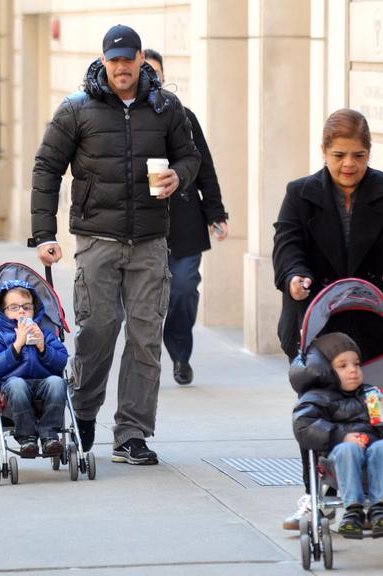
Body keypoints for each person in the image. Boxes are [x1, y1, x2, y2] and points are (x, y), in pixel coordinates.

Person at [31, 24, 200, 465]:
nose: (122, 67)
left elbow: (191, 156)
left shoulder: (166, 108)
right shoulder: (76, 109)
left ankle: (131, 433)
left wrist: (179, 176)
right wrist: (45, 234)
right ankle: (83, 412)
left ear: (142, 58)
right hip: (97, 239)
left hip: (149, 241)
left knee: (145, 338)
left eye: (129, 58)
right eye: (115, 59)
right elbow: (46, 168)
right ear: (103, 61)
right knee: (97, 331)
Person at [272, 108, 383, 529]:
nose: (349, 164)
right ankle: (314, 495)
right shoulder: (300, 193)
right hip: (320, 332)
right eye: (339, 155)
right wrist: (293, 277)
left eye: (358, 154)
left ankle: (376, 491)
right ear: (324, 151)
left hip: (376, 333)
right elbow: (287, 244)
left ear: (369, 152)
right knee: (317, 414)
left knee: (374, 412)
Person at [143, 48, 229, 385]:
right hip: (144, 225)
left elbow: (204, 165)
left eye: (156, 73)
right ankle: (147, 361)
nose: (151, 78)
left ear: (164, 78)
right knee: (147, 298)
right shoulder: (125, 121)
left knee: (183, 288)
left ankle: (180, 353)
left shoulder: (184, 115)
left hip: (185, 220)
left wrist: (216, 212)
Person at [293, 332, 383, 538]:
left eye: (357, 364)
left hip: (373, 452)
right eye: (343, 366)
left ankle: (379, 507)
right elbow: (304, 425)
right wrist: (341, 437)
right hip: (336, 458)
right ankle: (353, 509)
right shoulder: (317, 397)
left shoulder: (370, 393)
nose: (353, 371)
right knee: (348, 448)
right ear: (326, 371)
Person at [0, 280, 69, 458]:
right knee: (17, 384)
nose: (21, 311)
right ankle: (27, 436)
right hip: (13, 389)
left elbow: (61, 362)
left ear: (34, 310)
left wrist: (43, 347)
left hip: (44, 386)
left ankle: (49, 435)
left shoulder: (44, 333)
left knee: (57, 382)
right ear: (3, 312)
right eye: (14, 307)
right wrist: (16, 346)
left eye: (26, 306)